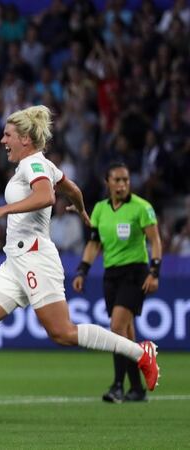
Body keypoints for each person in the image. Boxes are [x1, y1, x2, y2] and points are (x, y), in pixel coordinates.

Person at [0, 105, 160, 421]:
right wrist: (80, 210)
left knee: (62, 332)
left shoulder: (33, 164)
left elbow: (46, 197)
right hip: (16, 260)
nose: (1, 141)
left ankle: (140, 352)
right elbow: (72, 189)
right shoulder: (43, 164)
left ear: (25, 138)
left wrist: (0, 211)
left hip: (35, 256)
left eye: (7, 135)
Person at [72, 162, 162, 403]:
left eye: (126, 180)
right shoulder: (100, 209)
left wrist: (154, 272)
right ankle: (137, 389)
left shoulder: (142, 207)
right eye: (117, 180)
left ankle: (117, 386)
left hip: (135, 273)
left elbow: (155, 240)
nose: (122, 184)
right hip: (111, 275)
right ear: (108, 183)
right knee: (126, 332)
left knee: (116, 327)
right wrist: (82, 270)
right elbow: (94, 244)